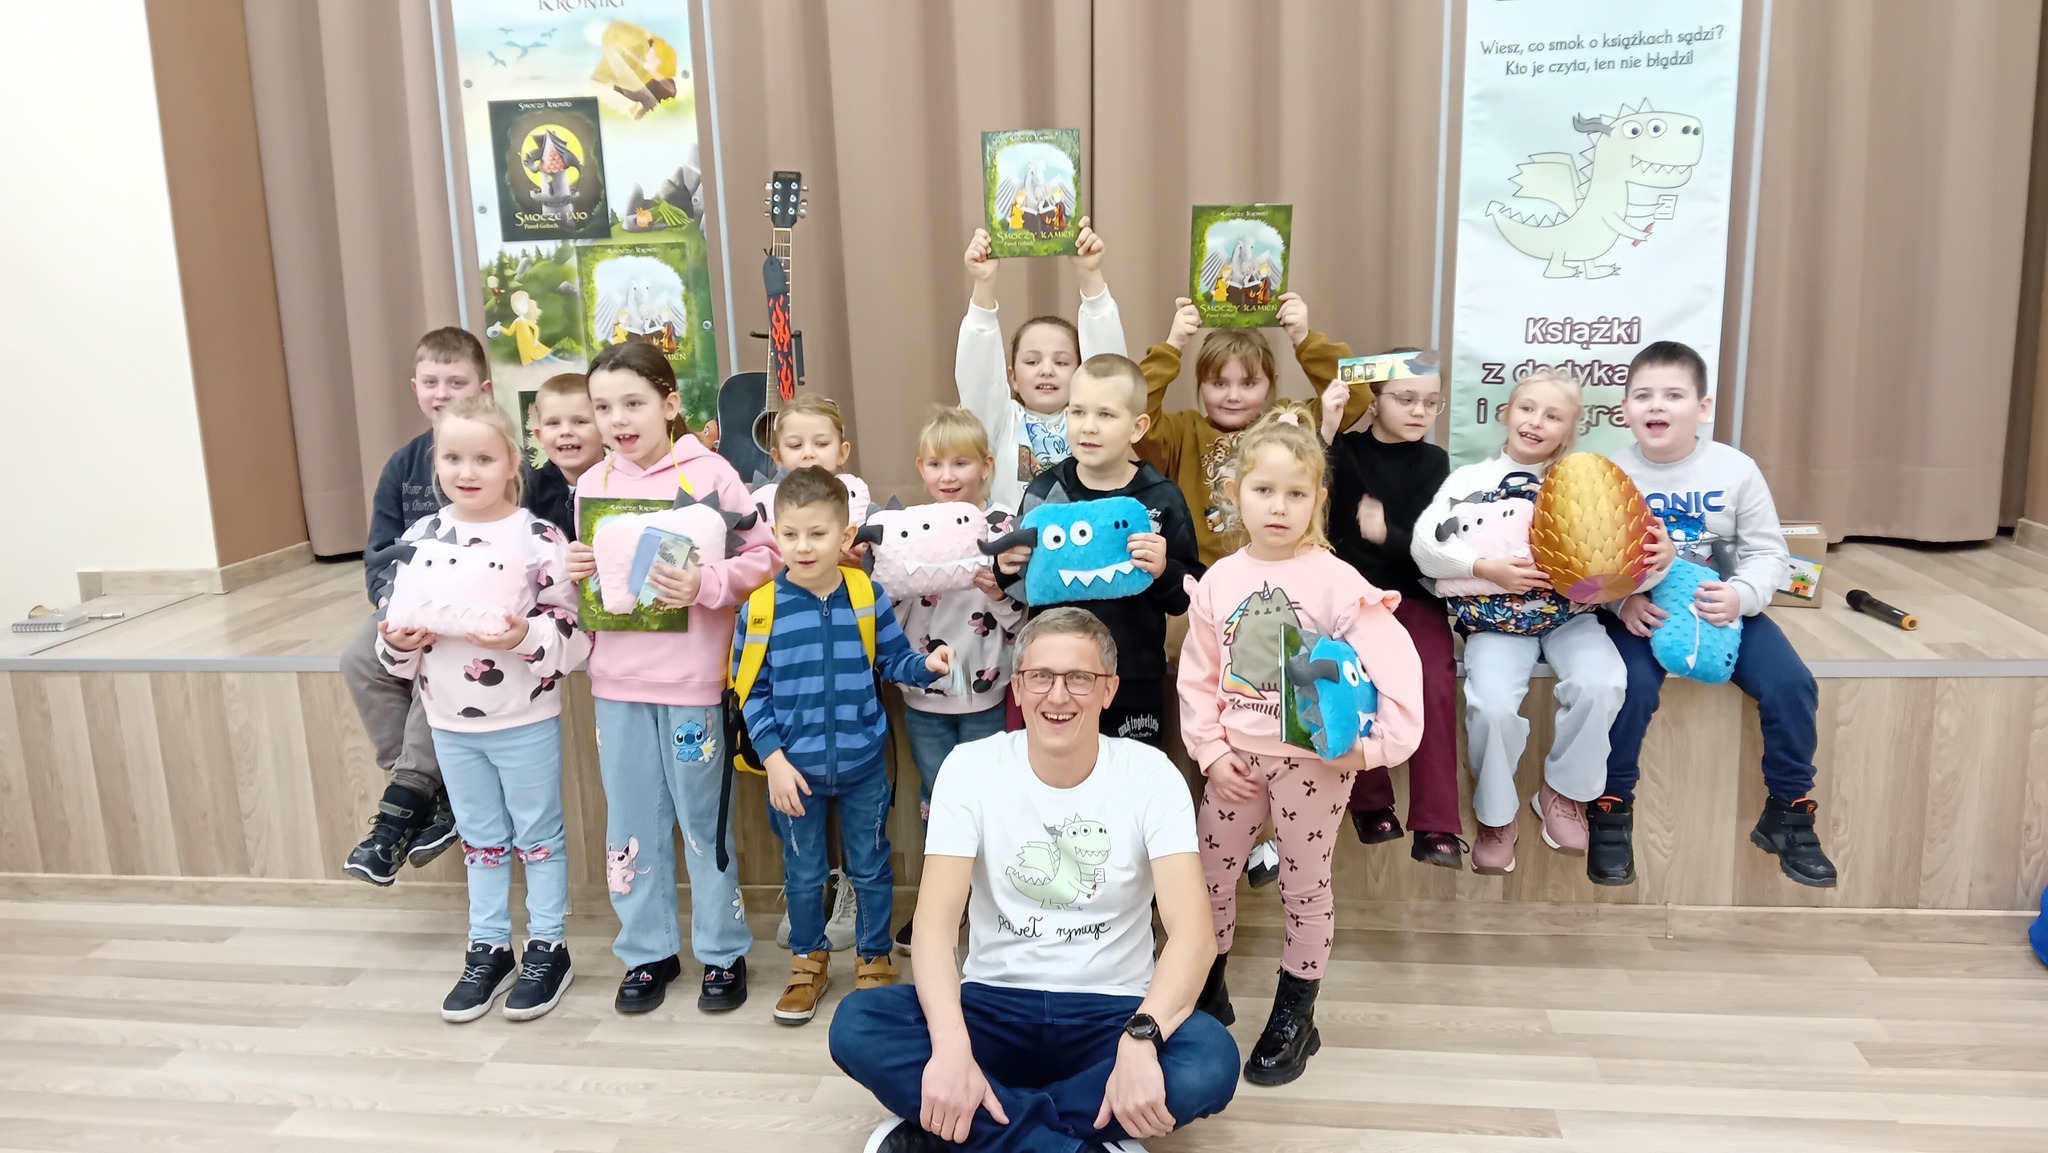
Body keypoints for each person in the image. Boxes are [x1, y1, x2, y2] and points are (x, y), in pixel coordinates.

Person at [830, 608, 1240, 1153]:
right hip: (991, 1007)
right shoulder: (969, 769)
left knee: (1211, 1059)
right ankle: (1074, 1140)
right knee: (857, 1022)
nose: (1058, 695)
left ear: (1109, 690)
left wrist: (1142, 1040)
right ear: (1018, 688)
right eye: (1041, 677)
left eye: (1079, 678)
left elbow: (1194, 938)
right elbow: (933, 930)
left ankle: (961, 1130)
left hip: (1113, 1013)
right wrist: (951, 1047)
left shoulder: (1152, 776)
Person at [1178, 405, 1424, 1085]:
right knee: (1208, 877)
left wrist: (1374, 749)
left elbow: (1396, 664)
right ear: (1236, 494)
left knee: (1303, 885)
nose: (1278, 506)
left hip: (1312, 767)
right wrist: (1210, 752)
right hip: (1234, 763)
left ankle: (1296, 1014)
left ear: (1317, 498)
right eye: (1263, 490)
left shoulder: (1336, 579)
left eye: (1295, 492)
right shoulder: (1220, 580)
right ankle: (1205, 989)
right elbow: (1198, 677)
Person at [564, 341, 778, 1014]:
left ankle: (722, 950)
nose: (618, 419)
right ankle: (647, 951)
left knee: (702, 823)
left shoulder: (712, 475)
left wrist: (707, 582)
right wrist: (574, 573)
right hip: (616, 684)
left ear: (670, 402)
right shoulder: (591, 486)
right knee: (630, 824)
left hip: (693, 684)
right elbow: (592, 591)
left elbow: (766, 555)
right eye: (603, 407)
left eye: (633, 402)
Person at [374, 395, 590, 1022]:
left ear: (512, 463)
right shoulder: (419, 539)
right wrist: (397, 644)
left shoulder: (539, 540)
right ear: (436, 463)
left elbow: (575, 638)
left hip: (523, 718)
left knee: (538, 837)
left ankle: (548, 947)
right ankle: (489, 947)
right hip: (447, 720)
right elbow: (397, 648)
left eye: (483, 459)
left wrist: (522, 637)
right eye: (452, 458)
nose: (466, 472)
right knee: (480, 839)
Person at [1593, 341, 1838, 887]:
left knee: (1792, 683)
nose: (1657, 405)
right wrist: (1619, 601)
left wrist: (1741, 596)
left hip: (1720, 607)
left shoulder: (1735, 468)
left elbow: (1769, 552)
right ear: (1624, 409)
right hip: (1640, 610)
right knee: (1629, 686)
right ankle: (1611, 808)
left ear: (1702, 407)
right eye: (1643, 395)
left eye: (1673, 395)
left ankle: (1789, 811)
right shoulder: (1607, 473)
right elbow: (1589, 560)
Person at [741, 467, 955, 1024]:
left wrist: (927, 666)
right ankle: (808, 962)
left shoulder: (866, 595)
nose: (803, 546)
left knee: (871, 866)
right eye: (791, 534)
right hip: (793, 773)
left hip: (864, 765)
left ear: (845, 535)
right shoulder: (760, 609)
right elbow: (751, 694)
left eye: (817, 534)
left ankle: (873, 957)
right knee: (803, 872)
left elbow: (894, 660)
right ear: (775, 533)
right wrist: (774, 761)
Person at [1409, 369, 1640, 875]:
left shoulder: (1586, 482)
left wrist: (1647, 566)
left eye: (1553, 416)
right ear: (1506, 414)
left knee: (1604, 682)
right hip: (1495, 624)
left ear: (1570, 431)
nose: (1536, 422)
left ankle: (1563, 793)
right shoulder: (1468, 480)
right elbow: (1425, 548)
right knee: (1491, 706)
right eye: (1527, 408)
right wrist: (1483, 568)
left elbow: (1623, 557)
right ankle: (1495, 817)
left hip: (1571, 619)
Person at [339, 328, 491, 885]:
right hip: (412, 603)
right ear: (415, 388)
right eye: (431, 382)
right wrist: (391, 609)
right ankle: (428, 793)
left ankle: (404, 805)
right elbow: (379, 555)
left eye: (456, 382)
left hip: (477, 610)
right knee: (360, 657)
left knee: (441, 659)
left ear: (484, 389)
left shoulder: (503, 455)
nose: (442, 392)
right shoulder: (403, 465)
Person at [996, 355, 1201, 748]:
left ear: (1138, 427)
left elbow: (1188, 592)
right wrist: (1005, 568)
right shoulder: (1045, 492)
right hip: (1054, 676)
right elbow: (1023, 586)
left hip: (1133, 676)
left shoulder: (1161, 497)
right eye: (1078, 412)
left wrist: (1165, 569)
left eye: (1105, 414)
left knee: (1131, 774)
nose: (1088, 426)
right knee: (1055, 767)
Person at [1318, 353, 1464, 867]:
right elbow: (1315, 502)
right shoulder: (1345, 450)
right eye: (1406, 399)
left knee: (1434, 677)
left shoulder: (1435, 463)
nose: (1420, 411)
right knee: (1347, 674)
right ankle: (1370, 803)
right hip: (1351, 599)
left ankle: (1437, 824)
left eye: (1431, 402)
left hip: (1413, 595)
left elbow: (1432, 550)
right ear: (1374, 401)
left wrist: (1389, 535)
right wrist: (1327, 428)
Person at [891, 406, 1025, 951]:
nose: (948, 476)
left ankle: (992, 905)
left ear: (986, 466)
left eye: (961, 463)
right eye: (936, 464)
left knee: (989, 799)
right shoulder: (906, 531)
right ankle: (941, 906)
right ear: (921, 468)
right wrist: (901, 582)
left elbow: (1027, 619)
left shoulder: (1004, 529)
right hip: (924, 694)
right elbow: (886, 615)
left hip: (987, 692)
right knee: (937, 797)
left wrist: (1000, 593)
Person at [1137, 293, 1371, 568]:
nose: (1233, 396)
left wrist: (1304, 339)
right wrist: (1173, 345)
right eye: (1219, 383)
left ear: (1271, 382)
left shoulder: (1288, 423)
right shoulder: (1181, 433)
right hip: (1202, 578)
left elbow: (1357, 394)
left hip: (1278, 575)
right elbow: (1133, 412)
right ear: (1200, 383)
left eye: (1248, 384)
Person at [957, 218, 1128, 510]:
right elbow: (979, 376)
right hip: (1014, 537)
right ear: (1012, 376)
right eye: (1032, 361)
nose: (1046, 370)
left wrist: (1090, 276)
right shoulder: (1001, 422)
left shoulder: (1091, 422)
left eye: (1061, 362)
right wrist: (983, 284)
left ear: (1081, 372)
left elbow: (1111, 375)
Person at [750, 395, 874, 528]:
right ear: (778, 456)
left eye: (822, 443)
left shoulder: (855, 494)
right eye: (795, 445)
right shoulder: (768, 500)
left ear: (842, 452)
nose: (808, 453)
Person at [524, 372, 602, 538]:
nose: (566, 431)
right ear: (540, 437)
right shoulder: (529, 491)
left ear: (604, 430)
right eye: (553, 423)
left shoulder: (625, 483)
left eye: (579, 421)